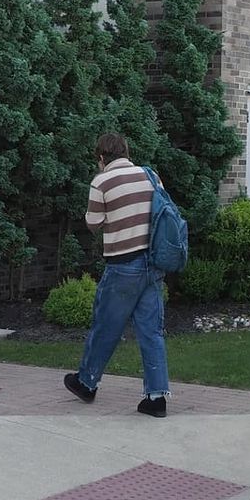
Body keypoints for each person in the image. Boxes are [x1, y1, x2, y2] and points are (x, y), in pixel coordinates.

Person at [63, 131, 170, 418]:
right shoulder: (150, 175)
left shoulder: (102, 181)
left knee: (106, 327)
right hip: (152, 264)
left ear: (101, 157)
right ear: (126, 151)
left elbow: (93, 223)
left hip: (123, 265)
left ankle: (86, 383)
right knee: (151, 332)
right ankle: (156, 397)